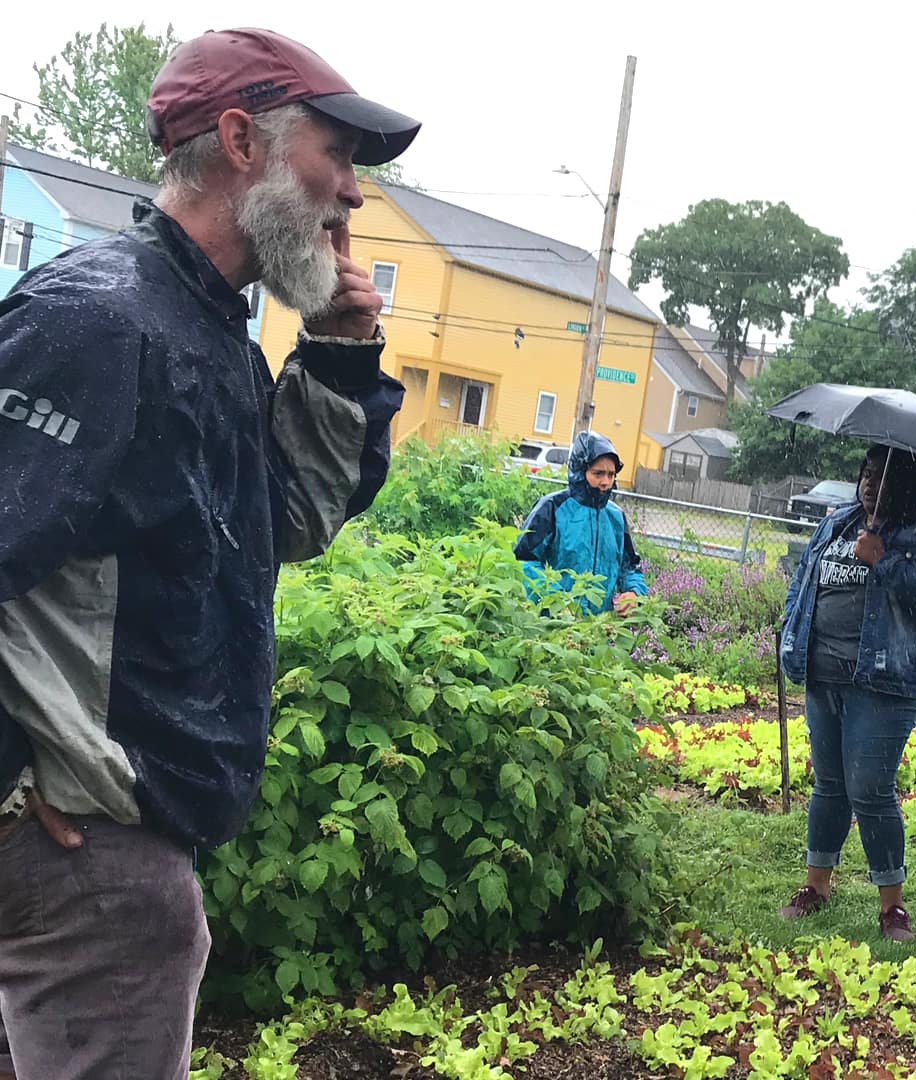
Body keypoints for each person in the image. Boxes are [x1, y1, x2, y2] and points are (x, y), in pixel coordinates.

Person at [0, 27, 414, 1078]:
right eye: (337, 156)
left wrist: (333, 361)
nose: (354, 196)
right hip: (81, 851)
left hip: (112, 853)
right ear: (240, 140)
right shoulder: (99, 322)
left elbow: (281, 528)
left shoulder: (202, 329)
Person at [775, 445, 916, 943]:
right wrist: (789, 632)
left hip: (883, 684)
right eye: (866, 472)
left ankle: (892, 907)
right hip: (824, 677)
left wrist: (885, 562)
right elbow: (803, 582)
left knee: (871, 789)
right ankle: (817, 886)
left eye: (882, 477)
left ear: (903, 483)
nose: (869, 483)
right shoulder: (837, 523)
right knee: (829, 785)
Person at [514, 431, 649, 614]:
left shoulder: (615, 516)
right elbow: (525, 560)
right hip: (554, 624)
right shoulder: (554, 508)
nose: (606, 482)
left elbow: (629, 567)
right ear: (579, 472)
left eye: (611, 475)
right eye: (598, 473)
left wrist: (634, 593)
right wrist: (556, 602)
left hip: (600, 628)